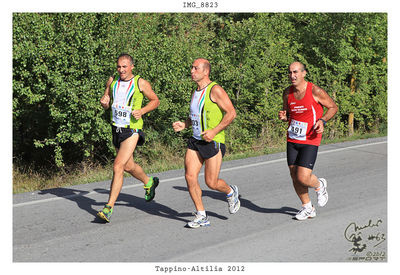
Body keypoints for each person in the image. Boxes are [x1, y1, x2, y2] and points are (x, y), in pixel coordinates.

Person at [172, 58, 240, 228]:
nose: (192, 71)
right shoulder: (195, 91)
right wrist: (185, 124)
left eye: (196, 68)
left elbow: (231, 113)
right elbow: (195, 115)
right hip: (195, 140)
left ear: (205, 71)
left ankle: (231, 192)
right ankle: (201, 214)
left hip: (213, 141)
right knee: (189, 176)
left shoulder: (215, 90)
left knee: (212, 182)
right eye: (192, 67)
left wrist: (214, 131)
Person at [97, 53, 160, 222]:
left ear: (132, 66)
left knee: (118, 166)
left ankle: (108, 208)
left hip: (132, 130)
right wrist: (105, 102)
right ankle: (149, 182)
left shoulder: (140, 83)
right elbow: (107, 100)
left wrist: (142, 111)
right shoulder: (112, 81)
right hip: (116, 128)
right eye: (119, 66)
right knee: (128, 165)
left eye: (125, 67)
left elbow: (155, 100)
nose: (121, 70)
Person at [278, 61, 338, 221]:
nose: (292, 76)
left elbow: (333, 107)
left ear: (304, 73)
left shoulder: (315, 90)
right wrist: (285, 117)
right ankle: (307, 208)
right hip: (292, 138)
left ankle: (319, 185)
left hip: (310, 138)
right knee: (293, 175)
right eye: (290, 72)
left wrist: (323, 121)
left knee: (303, 177)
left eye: (296, 72)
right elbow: (288, 114)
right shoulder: (287, 92)